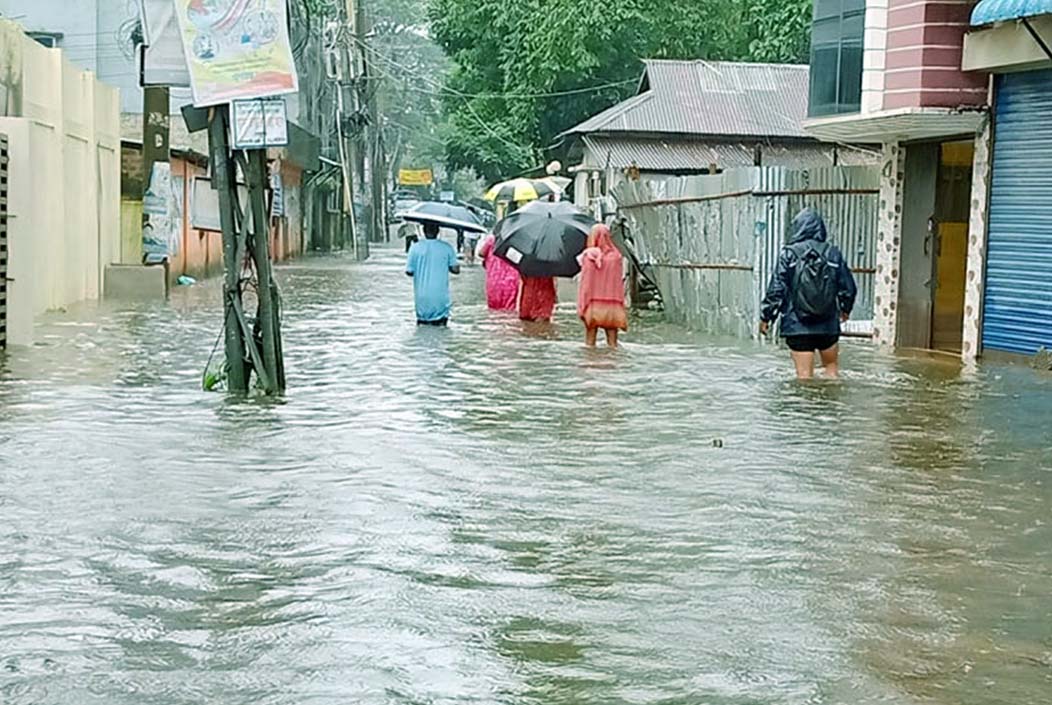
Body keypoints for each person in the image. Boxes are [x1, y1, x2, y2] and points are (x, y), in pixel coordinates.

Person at [760, 208, 857, 379]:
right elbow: (848, 287)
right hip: (827, 325)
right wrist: (845, 309)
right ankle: (832, 404)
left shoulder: (788, 254)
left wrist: (766, 317)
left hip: (797, 326)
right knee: (831, 370)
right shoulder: (832, 253)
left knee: (804, 377)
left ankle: (806, 407)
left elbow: (777, 289)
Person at [577, 224, 628, 348]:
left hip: (593, 306)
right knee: (613, 345)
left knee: (589, 344)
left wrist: (582, 306)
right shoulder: (617, 257)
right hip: (613, 306)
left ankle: (591, 364)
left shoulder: (589, 258)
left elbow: (586, 285)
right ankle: (613, 365)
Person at [406, 221, 460, 326]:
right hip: (441, 300)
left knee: (422, 331)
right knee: (442, 331)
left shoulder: (414, 248)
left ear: (423, 231)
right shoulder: (447, 247)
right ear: (438, 231)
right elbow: (456, 270)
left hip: (422, 301)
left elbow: (409, 271)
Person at [476, 232, 519, 311]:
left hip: (494, 279)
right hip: (512, 280)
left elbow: (481, 253)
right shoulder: (517, 240)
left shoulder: (492, 239)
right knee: (510, 309)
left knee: (493, 308)